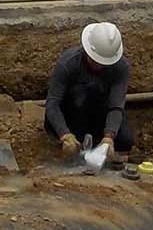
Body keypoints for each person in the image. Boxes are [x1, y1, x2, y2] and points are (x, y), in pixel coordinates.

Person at [45, 22, 134, 164]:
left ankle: (98, 141)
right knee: (79, 98)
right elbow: (53, 103)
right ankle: (78, 139)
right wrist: (64, 134)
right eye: (95, 60)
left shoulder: (120, 68)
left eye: (104, 63)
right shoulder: (68, 63)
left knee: (124, 140)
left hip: (99, 112)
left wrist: (109, 137)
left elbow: (116, 106)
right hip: (74, 111)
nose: (99, 65)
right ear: (87, 50)